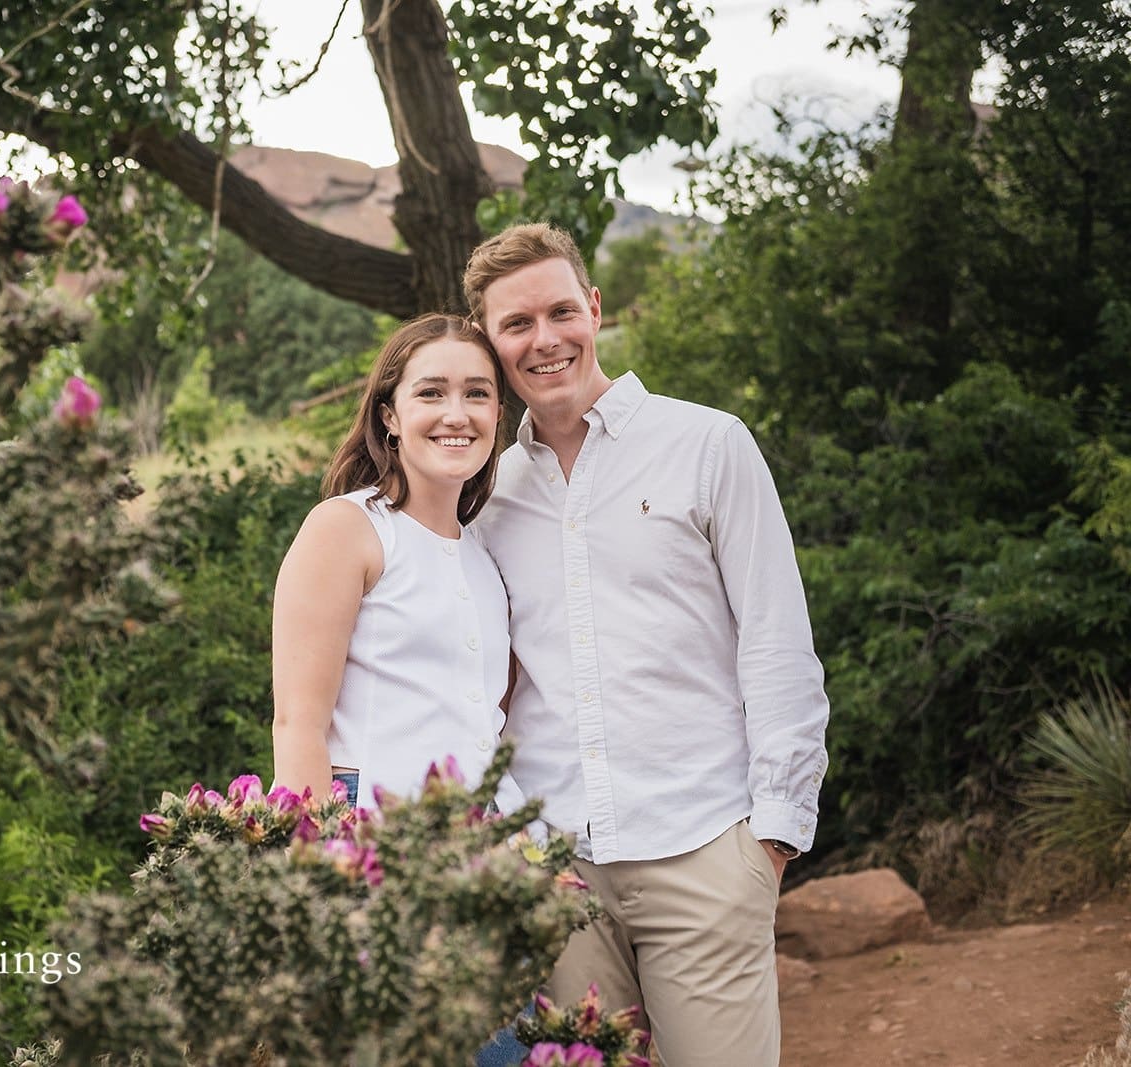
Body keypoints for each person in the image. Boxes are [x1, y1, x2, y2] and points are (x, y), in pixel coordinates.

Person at [463, 222, 830, 1067]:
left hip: (703, 849)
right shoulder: (485, 491)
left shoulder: (707, 444)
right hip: (556, 874)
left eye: (561, 311)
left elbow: (778, 645)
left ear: (594, 309)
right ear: (490, 341)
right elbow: (474, 680)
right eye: (516, 324)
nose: (544, 338)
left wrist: (771, 839)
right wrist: (512, 844)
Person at [271, 312, 521, 814]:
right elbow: (298, 726)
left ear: (497, 413)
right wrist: (319, 865)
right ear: (390, 416)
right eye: (431, 393)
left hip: (486, 838)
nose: (456, 414)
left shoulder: (486, 554)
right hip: (375, 832)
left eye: (477, 393)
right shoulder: (347, 528)